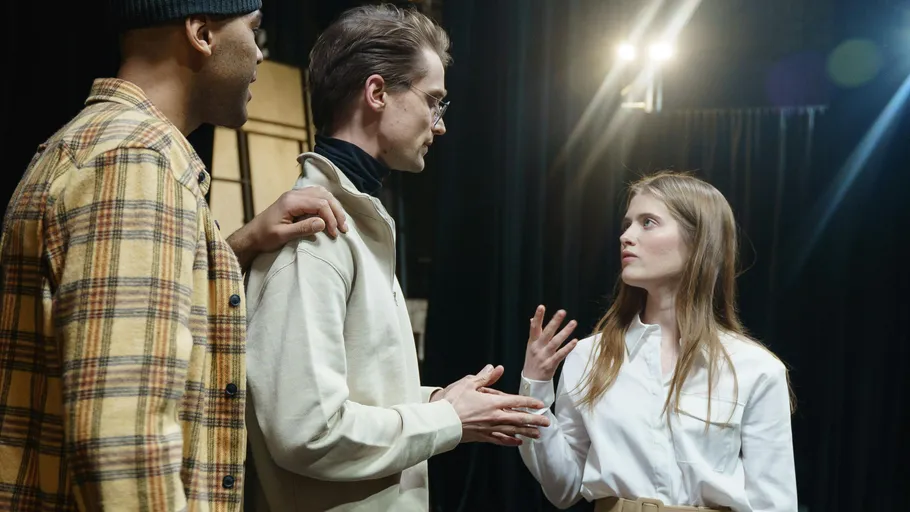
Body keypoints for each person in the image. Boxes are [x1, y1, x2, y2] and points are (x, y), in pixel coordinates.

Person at [0, 1, 347, 510]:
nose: (258, 54)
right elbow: (122, 444)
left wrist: (235, 247)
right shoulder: (133, 166)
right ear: (202, 32)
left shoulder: (103, 148)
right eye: (253, 32)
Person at [241, 4, 550, 511]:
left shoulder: (354, 224)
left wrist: (439, 402)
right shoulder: (317, 235)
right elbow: (307, 433)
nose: (440, 125)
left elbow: (350, 397)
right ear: (378, 93)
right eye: (434, 101)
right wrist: (450, 419)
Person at [518, 172, 797, 512]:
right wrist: (535, 386)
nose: (626, 236)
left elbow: (774, 502)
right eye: (627, 224)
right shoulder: (589, 357)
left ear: (698, 241)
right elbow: (562, 488)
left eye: (647, 222)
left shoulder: (756, 369)